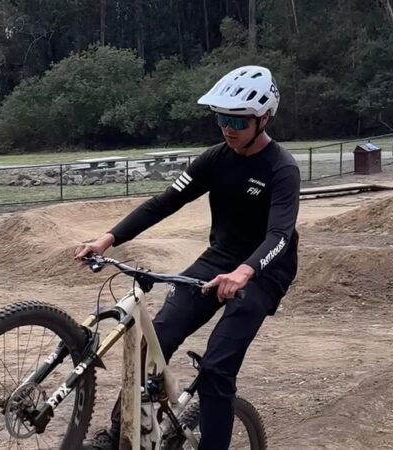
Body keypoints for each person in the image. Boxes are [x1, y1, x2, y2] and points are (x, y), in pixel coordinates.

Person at [74, 65, 300, 450]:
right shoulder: (216, 158)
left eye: (237, 121)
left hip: (264, 273)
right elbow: (165, 202)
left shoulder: (282, 169)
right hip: (218, 259)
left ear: (264, 120)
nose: (228, 128)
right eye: (221, 119)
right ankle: (118, 437)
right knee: (155, 340)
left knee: (216, 369)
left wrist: (245, 272)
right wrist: (109, 238)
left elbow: (279, 235)